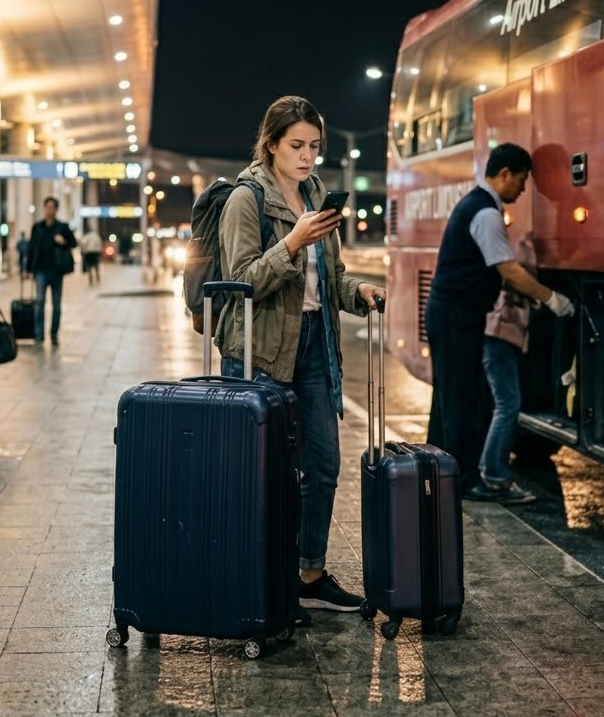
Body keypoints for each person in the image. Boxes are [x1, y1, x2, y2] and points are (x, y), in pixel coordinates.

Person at [218, 95, 385, 617]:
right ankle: (257, 573)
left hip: (317, 344)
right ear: (271, 145)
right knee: (264, 472)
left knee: (323, 463)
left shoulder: (315, 193)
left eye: (315, 146)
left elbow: (329, 278)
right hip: (262, 350)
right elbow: (240, 281)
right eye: (297, 145)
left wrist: (357, 289)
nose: (309, 156)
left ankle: (308, 573)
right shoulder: (246, 199)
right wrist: (291, 241)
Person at [425, 143, 576, 503]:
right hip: (457, 315)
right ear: (504, 174)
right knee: (462, 399)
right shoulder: (486, 212)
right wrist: (552, 299)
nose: (523, 190)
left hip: (452, 313)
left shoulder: (475, 204)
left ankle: (436, 471)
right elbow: (508, 270)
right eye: (521, 181)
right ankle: (464, 480)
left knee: (449, 397)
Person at [479, 232, 541, 505]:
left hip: (498, 339)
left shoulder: (513, 245)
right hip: (500, 339)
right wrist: (545, 297)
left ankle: (490, 469)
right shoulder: (518, 252)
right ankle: (493, 473)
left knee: (505, 404)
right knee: (507, 405)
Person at [25, 197, 77, 345]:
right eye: (47, 207)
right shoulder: (38, 227)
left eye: (53, 207)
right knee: (40, 302)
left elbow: (73, 243)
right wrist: (28, 269)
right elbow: (31, 248)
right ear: (44, 208)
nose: (50, 210)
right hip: (40, 270)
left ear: (56, 209)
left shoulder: (62, 227)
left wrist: (64, 241)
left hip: (57, 271)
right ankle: (39, 334)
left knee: (57, 305)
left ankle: (54, 333)